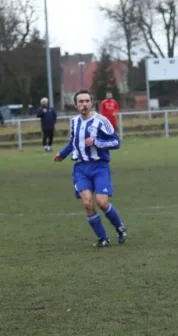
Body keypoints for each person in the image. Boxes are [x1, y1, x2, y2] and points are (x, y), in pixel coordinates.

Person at [53, 89, 127, 248]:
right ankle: (103, 238)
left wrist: (97, 142)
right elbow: (73, 141)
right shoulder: (74, 122)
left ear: (91, 103)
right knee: (87, 203)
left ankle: (120, 227)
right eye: (81, 102)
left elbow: (116, 142)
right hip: (80, 168)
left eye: (87, 101)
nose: (84, 104)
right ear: (76, 105)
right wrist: (63, 154)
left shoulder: (101, 121)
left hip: (100, 166)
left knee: (102, 202)